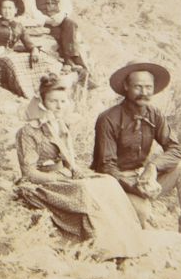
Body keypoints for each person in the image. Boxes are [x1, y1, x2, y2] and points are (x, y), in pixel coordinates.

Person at [15, 73, 145, 258]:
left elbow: (68, 157)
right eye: (53, 101)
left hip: (63, 175)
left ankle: (127, 243)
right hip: (41, 183)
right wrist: (59, 177)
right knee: (83, 190)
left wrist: (74, 169)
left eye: (63, 101)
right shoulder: (28, 131)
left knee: (108, 182)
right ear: (42, 101)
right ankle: (102, 249)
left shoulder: (60, 125)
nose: (59, 106)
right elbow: (29, 172)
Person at [92, 61, 181, 237]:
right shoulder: (108, 119)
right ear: (126, 86)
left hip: (143, 176)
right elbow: (107, 167)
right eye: (138, 87)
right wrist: (136, 187)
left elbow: (175, 149)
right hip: (115, 183)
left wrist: (153, 167)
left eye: (148, 87)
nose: (144, 92)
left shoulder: (154, 114)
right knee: (141, 212)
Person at [25, 0, 91, 75]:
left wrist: (61, 16)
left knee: (71, 24)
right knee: (59, 33)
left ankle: (71, 58)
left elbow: (66, 4)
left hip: (57, 16)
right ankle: (69, 60)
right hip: (41, 17)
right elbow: (30, 6)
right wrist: (45, 19)